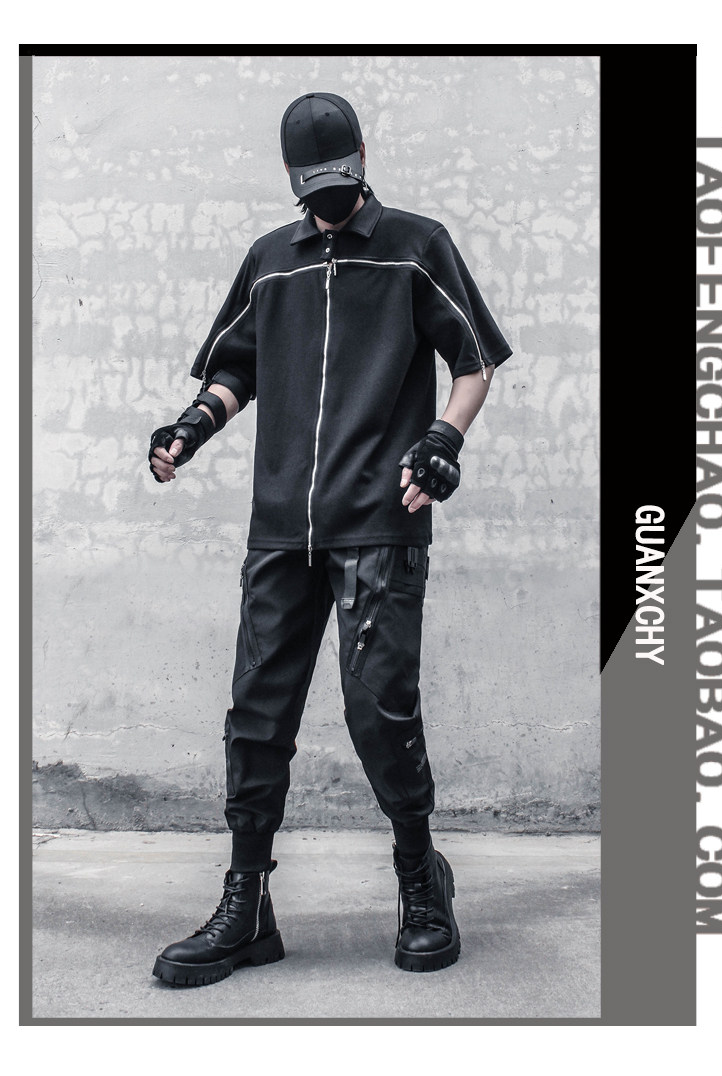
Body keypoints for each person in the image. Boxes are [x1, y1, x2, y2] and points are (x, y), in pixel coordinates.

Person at [148, 92, 512, 987]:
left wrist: (443, 440)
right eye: (312, 186)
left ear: (362, 159)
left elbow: (474, 362)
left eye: (339, 181)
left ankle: (421, 876)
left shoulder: (417, 245)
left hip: (380, 522)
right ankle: (247, 904)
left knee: (379, 711)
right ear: (292, 178)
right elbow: (237, 370)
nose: (328, 199)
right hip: (280, 527)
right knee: (256, 717)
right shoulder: (270, 260)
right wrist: (192, 427)